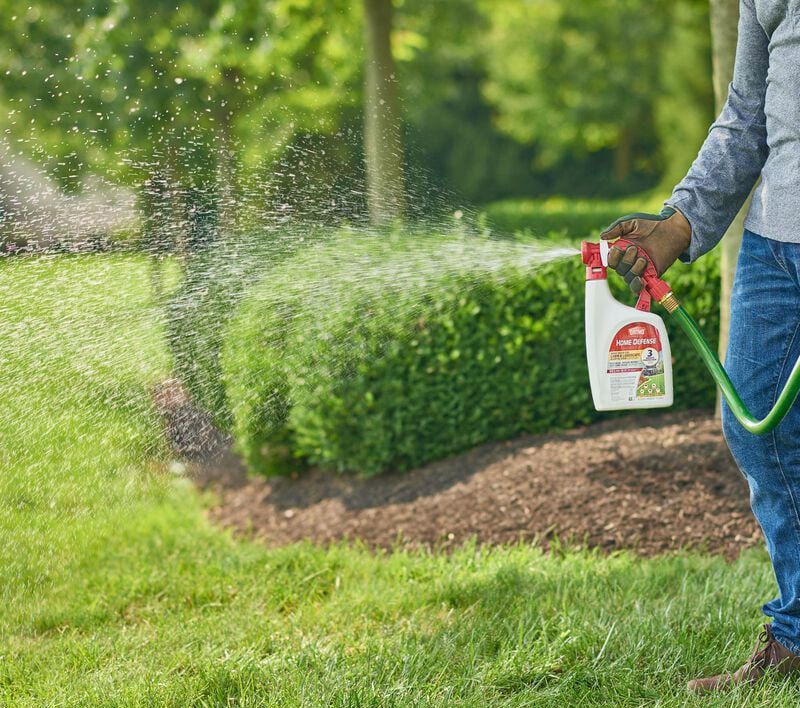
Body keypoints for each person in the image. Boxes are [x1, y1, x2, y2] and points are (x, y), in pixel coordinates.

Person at [599, 0, 800, 695]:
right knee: (759, 430)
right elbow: (747, 110)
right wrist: (678, 226)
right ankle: (798, 637)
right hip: (776, 243)